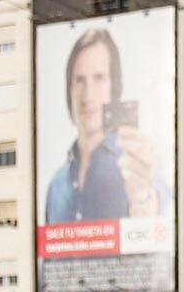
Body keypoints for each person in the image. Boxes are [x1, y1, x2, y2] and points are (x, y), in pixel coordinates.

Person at [42, 26, 161, 223]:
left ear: (114, 87)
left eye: (99, 79)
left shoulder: (139, 165)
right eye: (79, 80)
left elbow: (159, 232)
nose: (87, 96)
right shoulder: (55, 185)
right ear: (69, 89)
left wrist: (142, 199)